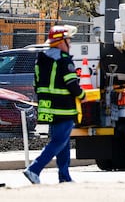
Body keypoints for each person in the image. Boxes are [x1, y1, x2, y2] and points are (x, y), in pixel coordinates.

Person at [22, 25, 85, 184]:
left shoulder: (42, 58)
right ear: (61, 42)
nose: (69, 43)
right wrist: (82, 95)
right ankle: (34, 169)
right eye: (68, 40)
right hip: (64, 107)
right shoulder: (63, 60)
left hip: (47, 107)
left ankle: (64, 176)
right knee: (58, 141)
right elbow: (71, 83)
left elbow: (36, 84)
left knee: (63, 142)